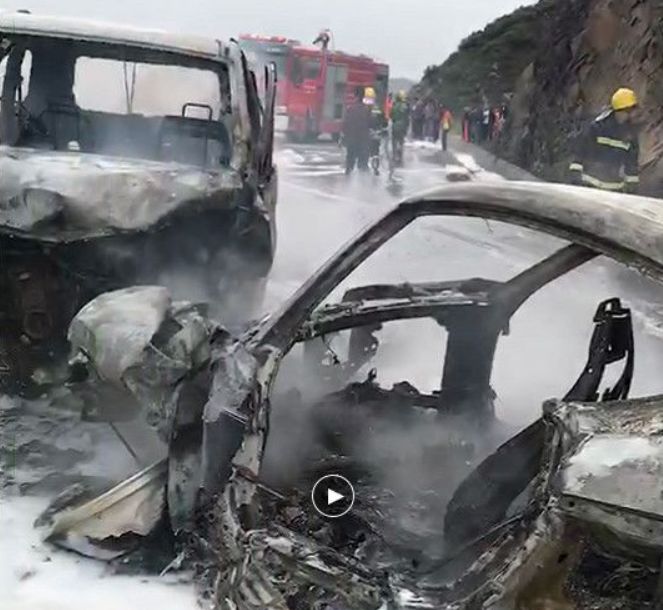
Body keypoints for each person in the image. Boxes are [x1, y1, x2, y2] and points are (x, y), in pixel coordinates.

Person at [568, 87, 640, 194]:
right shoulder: (597, 127)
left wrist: (632, 189)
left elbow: (631, 164)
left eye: (632, 111)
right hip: (589, 186)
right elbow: (580, 152)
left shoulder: (630, 135)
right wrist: (575, 176)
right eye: (628, 111)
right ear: (619, 111)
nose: (631, 115)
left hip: (614, 190)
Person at [342, 86, 371, 174]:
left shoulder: (350, 109)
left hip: (351, 140)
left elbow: (345, 125)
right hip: (363, 141)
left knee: (349, 164)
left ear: (355, 95)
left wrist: (344, 137)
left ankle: (348, 179)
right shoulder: (367, 110)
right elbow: (371, 124)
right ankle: (362, 181)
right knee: (362, 166)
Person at [364, 86, 388, 174]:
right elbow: (385, 122)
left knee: (366, 150)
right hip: (377, 133)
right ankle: (375, 167)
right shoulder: (379, 108)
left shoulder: (363, 108)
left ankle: (365, 167)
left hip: (366, 133)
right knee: (375, 150)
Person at [391, 90, 410, 165]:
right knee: (401, 141)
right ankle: (400, 157)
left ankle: (394, 156)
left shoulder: (394, 106)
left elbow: (391, 116)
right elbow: (407, 118)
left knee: (394, 142)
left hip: (395, 125)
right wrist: (406, 128)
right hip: (402, 126)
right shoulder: (405, 106)